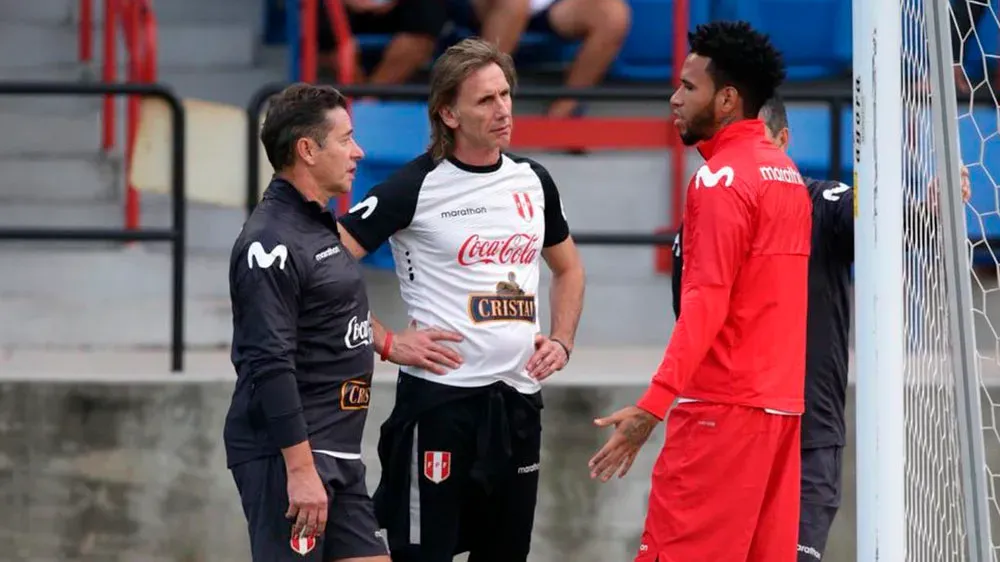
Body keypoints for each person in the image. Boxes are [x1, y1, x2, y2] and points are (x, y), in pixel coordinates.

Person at [669, 94, 972, 562]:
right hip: (727, 437)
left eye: (753, 141)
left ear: (783, 142)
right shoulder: (702, 219)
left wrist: (927, 209)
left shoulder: (821, 204)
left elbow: (873, 222)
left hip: (807, 439)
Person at [335, 37, 586, 562]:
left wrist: (562, 340)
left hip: (517, 401)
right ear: (448, 113)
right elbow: (321, 267)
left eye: (505, 94)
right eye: (485, 100)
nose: (503, 110)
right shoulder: (414, 185)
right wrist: (385, 341)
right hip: (440, 405)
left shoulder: (533, 180)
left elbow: (568, 268)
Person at [588, 21, 812, 562]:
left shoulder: (719, 181)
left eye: (689, 87)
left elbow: (706, 303)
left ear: (727, 99)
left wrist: (652, 406)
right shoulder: (787, 174)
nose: (675, 98)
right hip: (780, 413)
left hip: (721, 411)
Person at [223, 83, 390, 562]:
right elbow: (268, 361)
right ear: (307, 150)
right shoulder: (269, 241)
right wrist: (298, 469)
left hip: (339, 454)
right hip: (291, 457)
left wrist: (390, 343)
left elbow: (329, 314)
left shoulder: (317, 223)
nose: (358, 152)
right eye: (345, 139)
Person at [448, 0, 631, 118]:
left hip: (547, 6)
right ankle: (477, 107)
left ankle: (562, 113)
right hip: (485, 5)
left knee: (612, 16)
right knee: (515, 3)